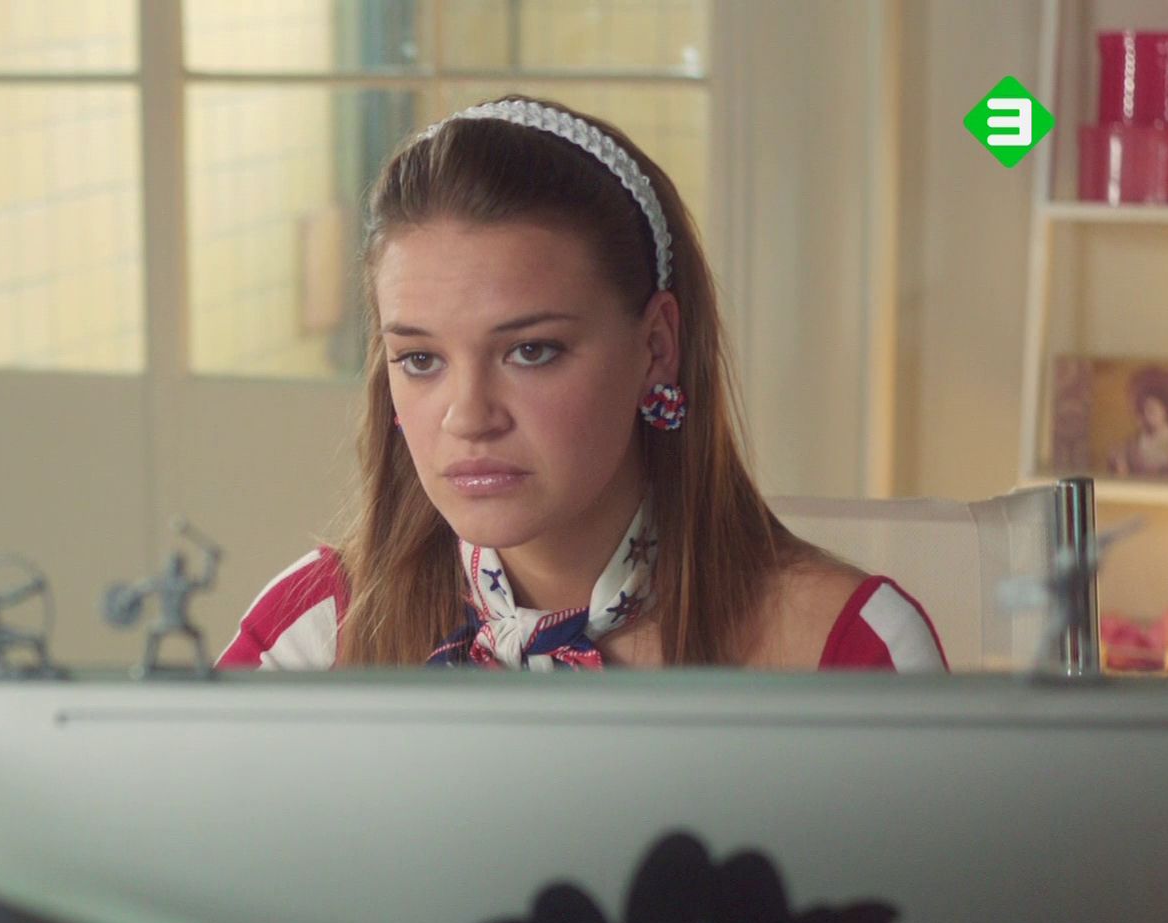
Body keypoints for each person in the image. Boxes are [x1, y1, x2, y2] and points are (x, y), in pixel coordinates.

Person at [219, 96, 945, 673]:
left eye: (530, 350)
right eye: (420, 360)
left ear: (656, 348)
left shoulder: (848, 653)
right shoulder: (316, 631)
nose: (468, 417)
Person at [1105, 366, 1168, 480]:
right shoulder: (1135, 442)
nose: (1146, 415)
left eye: (1152, 410)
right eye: (1143, 410)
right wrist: (1121, 466)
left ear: (1166, 411)